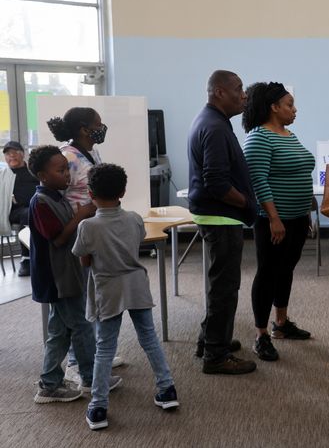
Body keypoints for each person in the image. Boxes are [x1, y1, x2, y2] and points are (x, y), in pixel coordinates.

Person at [73, 163, 179, 430]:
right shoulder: (134, 218)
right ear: (123, 191)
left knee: (105, 347)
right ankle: (167, 390)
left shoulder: (87, 226)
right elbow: (137, 242)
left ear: (90, 193)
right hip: (136, 285)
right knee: (150, 339)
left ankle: (98, 407)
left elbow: (85, 260)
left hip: (108, 290)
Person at [27, 146, 120, 404]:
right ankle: (91, 378)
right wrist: (80, 216)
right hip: (57, 278)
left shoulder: (57, 196)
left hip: (67, 274)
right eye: (60, 170)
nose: (67, 174)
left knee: (59, 331)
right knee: (81, 326)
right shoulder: (41, 202)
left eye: (66, 168)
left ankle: (50, 383)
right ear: (42, 176)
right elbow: (57, 239)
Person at [188, 69, 258, 375]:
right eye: (238, 89)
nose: (243, 96)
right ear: (219, 92)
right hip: (220, 216)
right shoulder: (215, 128)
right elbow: (216, 182)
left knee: (220, 283)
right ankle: (216, 357)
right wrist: (248, 202)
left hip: (216, 214)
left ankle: (211, 340)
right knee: (225, 287)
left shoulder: (211, 121)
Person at [47, 108, 124, 381]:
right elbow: (56, 197)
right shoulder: (67, 156)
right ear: (83, 128)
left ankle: (92, 353)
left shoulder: (89, 151)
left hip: (93, 232)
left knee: (92, 295)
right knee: (77, 305)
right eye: (97, 125)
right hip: (75, 235)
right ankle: (78, 364)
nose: (101, 128)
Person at [242, 82, 315, 362]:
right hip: (273, 221)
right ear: (274, 107)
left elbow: (299, 173)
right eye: (289, 105)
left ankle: (281, 325)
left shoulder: (288, 134)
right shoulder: (259, 137)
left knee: (286, 270)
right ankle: (261, 335)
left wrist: (305, 213)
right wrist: (274, 218)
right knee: (268, 273)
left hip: (296, 218)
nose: (294, 110)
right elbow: (258, 181)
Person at [3, 140, 38, 276]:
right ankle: (26, 258)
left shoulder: (32, 171)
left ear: (23, 154)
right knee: (27, 214)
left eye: (15, 152)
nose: (11, 156)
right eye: (8, 154)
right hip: (14, 211)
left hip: (35, 207)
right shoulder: (4, 175)